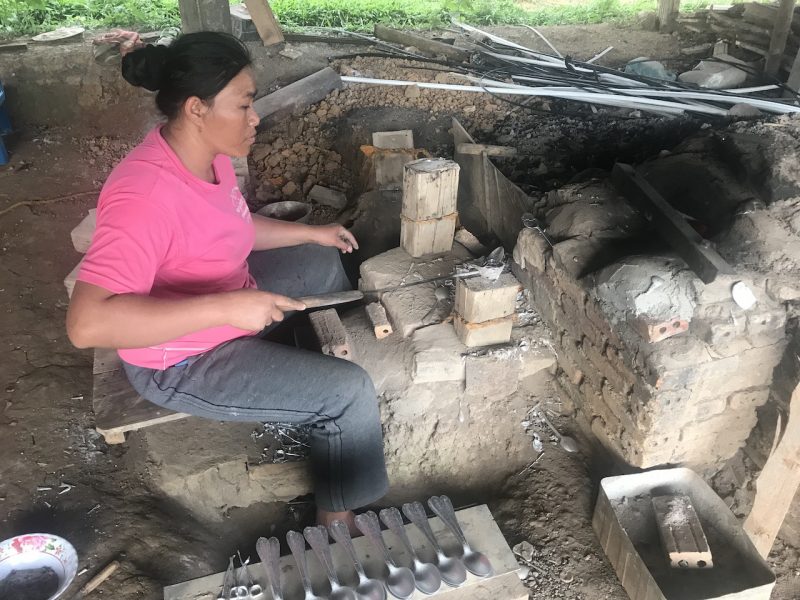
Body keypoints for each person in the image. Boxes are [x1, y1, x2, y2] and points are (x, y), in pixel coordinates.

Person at [66, 32, 389, 529]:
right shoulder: (144, 196)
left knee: (321, 262)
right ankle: (337, 521)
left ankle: (285, 358)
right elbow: (86, 325)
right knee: (350, 394)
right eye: (244, 105)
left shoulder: (207, 155)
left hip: (226, 297)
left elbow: (231, 226)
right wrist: (227, 307)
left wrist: (312, 233)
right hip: (180, 361)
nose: (255, 117)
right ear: (197, 108)